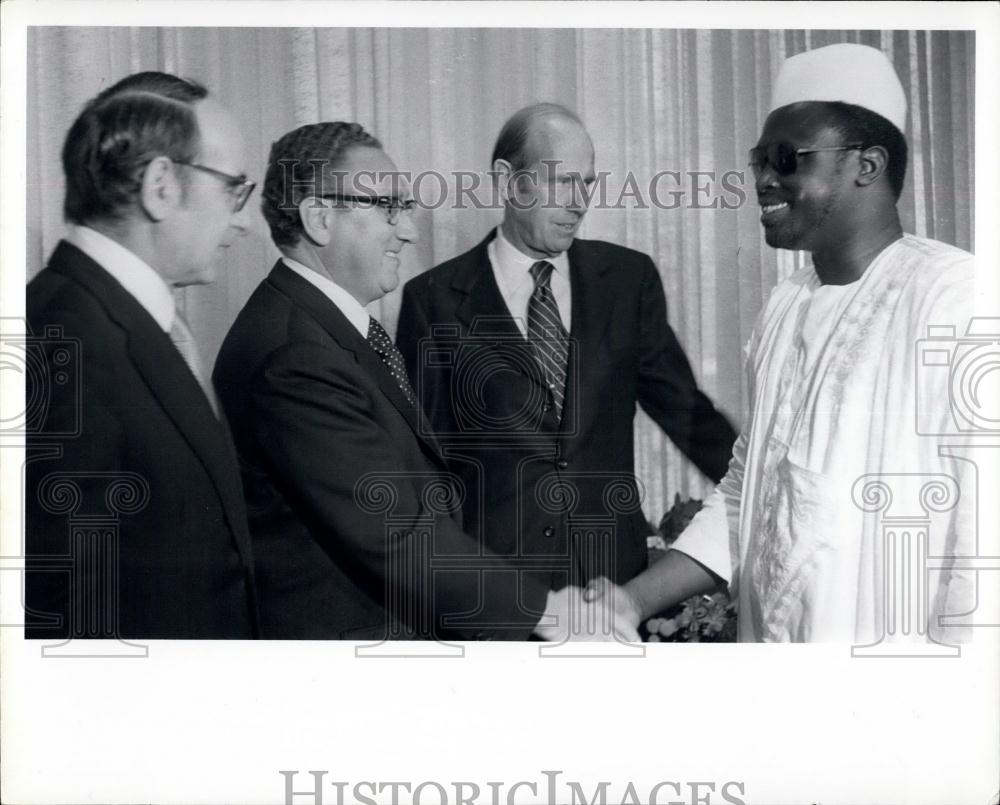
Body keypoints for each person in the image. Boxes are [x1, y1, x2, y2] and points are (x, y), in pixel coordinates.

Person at [587, 43, 975, 644]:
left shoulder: (954, 294)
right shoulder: (785, 305)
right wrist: (628, 601)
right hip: (772, 674)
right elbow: (752, 493)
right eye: (758, 161)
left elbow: (982, 534)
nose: (764, 179)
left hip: (895, 687)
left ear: (866, 165)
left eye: (786, 158)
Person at [213, 122, 633, 641]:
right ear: (320, 218)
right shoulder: (294, 354)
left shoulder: (323, 328)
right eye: (387, 207)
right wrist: (550, 613)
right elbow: (394, 529)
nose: (408, 230)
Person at [396, 103, 736, 610]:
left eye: (588, 185)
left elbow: (688, 414)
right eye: (561, 183)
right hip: (499, 599)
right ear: (509, 181)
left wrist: (762, 494)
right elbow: (423, 467)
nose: (579, 204)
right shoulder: (435, 298)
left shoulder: (627, 281)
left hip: (612, 588)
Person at [25, 71, 260, 639]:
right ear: (161, 185)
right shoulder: (65, 340)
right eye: (234, 189)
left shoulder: (116, 319)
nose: (246, 221)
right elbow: (58, 615)